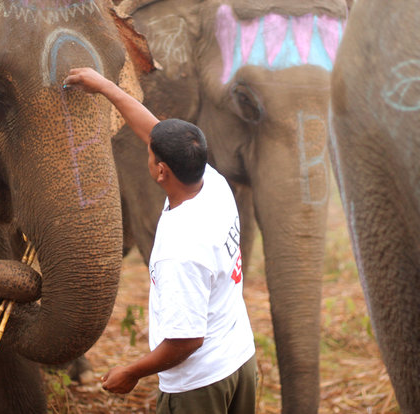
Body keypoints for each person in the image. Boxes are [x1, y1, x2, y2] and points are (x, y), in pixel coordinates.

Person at [63, 67, 257, 414]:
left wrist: (132, 372)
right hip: (239, 360)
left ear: (161, 171)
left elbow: (187, 340)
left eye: (151, 156)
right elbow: (154, 131)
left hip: (199, 385)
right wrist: (108, 88)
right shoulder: (212, 184)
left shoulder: (180, 250)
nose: (147, 155)